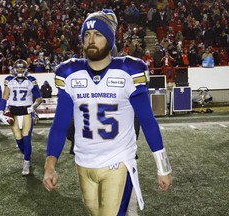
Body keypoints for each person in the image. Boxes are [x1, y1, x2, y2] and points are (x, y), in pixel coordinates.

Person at [43, 9, 173, 216]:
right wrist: (50, 166)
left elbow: (148, 122)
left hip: (118, 163)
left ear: (110, 39)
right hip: (83, 163)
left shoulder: (129, 71)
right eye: (86, 35)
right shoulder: (69, 73)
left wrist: (163, 167)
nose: (91, 39)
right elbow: (59, 125)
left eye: (98, 34)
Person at [0, 59, 42, 176]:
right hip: (13, 111)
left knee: (26, 138)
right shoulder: (9, 80)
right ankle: (27, 155)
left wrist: (32, 107)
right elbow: (4, 97)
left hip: (27, 111)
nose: (19, 70)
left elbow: (39, 98)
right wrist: (0, 111)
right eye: (17, 68)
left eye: (22, 68)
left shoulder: (31, 80)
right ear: (14, 69)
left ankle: (26, 162)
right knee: (18, 140)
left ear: (26, 69)